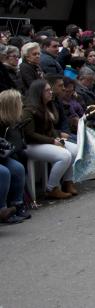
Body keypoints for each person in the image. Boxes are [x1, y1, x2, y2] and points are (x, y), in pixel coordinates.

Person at [20, 79, 79, 199]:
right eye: (47, 90)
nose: (50, 92)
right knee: (64, 155)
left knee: (75, 150)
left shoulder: (46, 106)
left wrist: (57, 136)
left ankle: (68, 182)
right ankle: (52, 188)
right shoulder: (29, 110)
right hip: (31, 145)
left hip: (46, 141)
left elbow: (49, 128)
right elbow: (29, 134)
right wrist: (52, 141)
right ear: (39, 92)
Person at [0, 89, 30, 223]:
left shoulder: (10, 122)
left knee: (17, 168)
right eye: (19, 103)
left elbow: (18, 147)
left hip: (2, 156)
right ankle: (2, 209)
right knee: (4, 172)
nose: (22, 106)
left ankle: (17, 204)